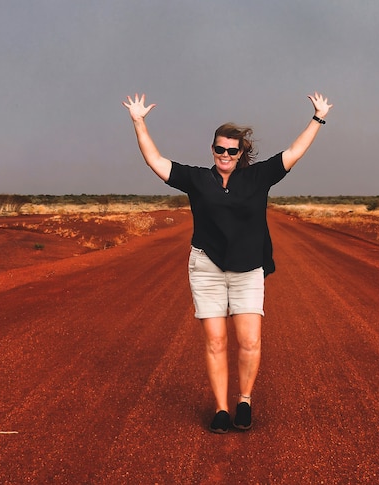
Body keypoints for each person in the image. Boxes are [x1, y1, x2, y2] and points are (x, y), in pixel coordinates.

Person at [123, 91, 332, 433]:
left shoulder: (258, 178)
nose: (225, 154)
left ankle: (244, 400)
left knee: (249, 340)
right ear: (213, 150)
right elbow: (155, 161)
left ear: (241, 153)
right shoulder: (197, 179)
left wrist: (318, 118)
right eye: (219, 149)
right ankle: (221, 408)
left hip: (248, 268)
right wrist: (138, 121)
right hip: (206, 267)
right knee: (216, 341)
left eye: (232, 150)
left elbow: (294, 153)